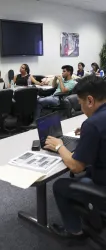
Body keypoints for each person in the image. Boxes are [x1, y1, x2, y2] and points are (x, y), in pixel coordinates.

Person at [44, 75, 106, 239]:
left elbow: (76, 167)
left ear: (90, 101)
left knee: (60, 185)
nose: (81, 108)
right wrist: (87, 132)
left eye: (80, 103)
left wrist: (59, 146)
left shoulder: (92, 124)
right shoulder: (95, 122)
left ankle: (74, 231)